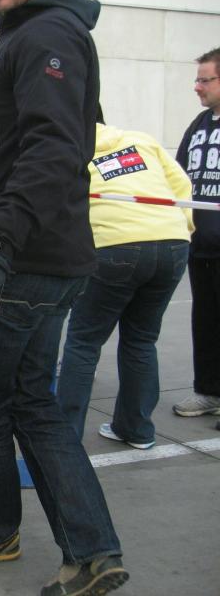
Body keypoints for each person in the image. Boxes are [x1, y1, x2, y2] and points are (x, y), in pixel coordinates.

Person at [0, 0, 129, 595]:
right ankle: (91, 552)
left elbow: (54, 148)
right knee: (33, 404)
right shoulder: (36, 32)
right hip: (41, 258)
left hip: (16, 263)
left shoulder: (45, 32)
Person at [57, 118, 194, 448]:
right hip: (172, 242)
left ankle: (64, 441)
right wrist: (182, 228)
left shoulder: (69, 149)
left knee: (83, 342)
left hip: (114, 245)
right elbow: (182, 186)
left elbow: (61, 209)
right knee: (142, 339)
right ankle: (136, 429)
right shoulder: (141, 140)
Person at [173, 47, 220, 421]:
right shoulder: (200, 124)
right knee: (205, 322)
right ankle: (208, 391)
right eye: (197, 79)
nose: (197, 87)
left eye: (205, 80)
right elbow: (178, 175)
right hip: (200, 245)